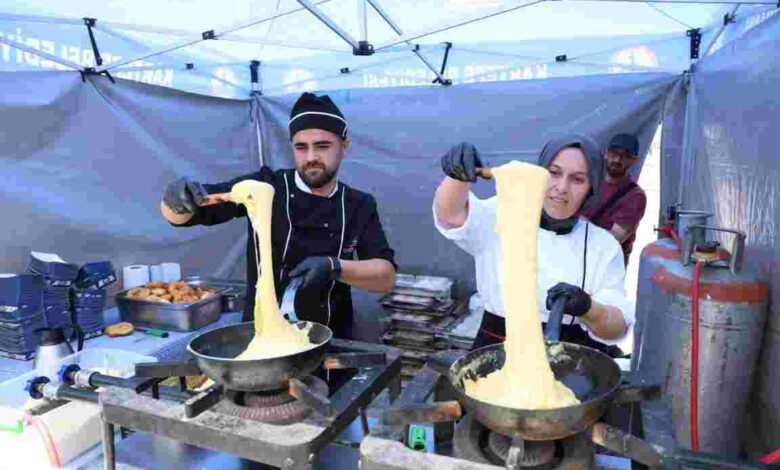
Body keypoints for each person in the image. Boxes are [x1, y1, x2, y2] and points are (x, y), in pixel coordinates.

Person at [160, 92, 396, 339]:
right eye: (301, 147)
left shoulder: (359, 204)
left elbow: (385, 277)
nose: (311, 157)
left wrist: (334, 267)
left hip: (332, 339)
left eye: (323, 146)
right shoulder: (264, 186)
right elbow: (187, 214)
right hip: (263, 338)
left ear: (344, 147)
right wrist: (176, 201)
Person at [433, 136, 633, 357]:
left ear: (591, 189)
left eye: (577, 179)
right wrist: (457, 176)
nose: (561, 187)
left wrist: (589, 309)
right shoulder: (502, 213)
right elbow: (450, 216)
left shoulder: (602, 246)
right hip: (497, 349)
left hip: (567, 356)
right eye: (553, 173)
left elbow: (617, 327)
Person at [581, 133, 647, 266]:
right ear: (605, 153)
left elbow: (613, 240)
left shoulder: (635, 196)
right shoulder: (587, 180)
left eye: (625, 156)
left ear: (634, 160)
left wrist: (576, 219)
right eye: (613, 153)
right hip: (575, 253)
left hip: (606, 265)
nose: (617, 159)